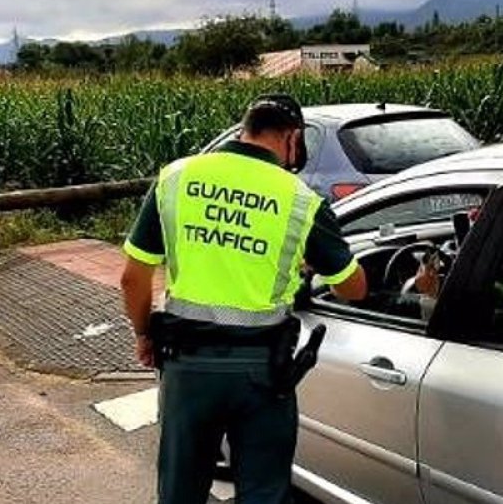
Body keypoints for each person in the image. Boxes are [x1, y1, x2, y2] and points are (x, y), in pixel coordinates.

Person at [119, 93, 367, 504]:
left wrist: (144, 335)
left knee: (179, 492)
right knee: (264, 493)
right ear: (292, 138)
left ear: (244, 130)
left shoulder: (177, 178)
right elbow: (352, 288)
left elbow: (132, 279)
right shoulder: (301, 200)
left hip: (187, 368)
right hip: (263, 375)